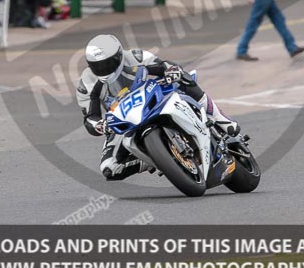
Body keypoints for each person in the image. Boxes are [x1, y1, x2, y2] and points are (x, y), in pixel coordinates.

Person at [77, 34, 238, 181]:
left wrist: (171, 71)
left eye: (108, 64)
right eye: (97, 66)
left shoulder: (135, 56)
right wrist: (99, 125)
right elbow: (90, 117)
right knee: (109, 168)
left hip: (151, 95)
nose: (104, 69)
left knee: (182, 78)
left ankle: (218, 117)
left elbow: (163, 65)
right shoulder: (86, 83)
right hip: (123, 118)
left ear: (119, 55)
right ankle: (155, 159)